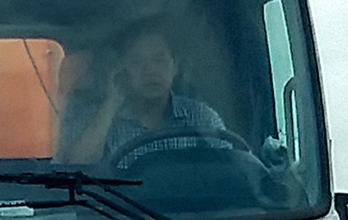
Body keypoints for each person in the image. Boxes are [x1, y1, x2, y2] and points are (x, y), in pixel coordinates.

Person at [55, 27, 228, 168]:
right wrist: (111, 104)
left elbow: (232, 171)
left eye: (159, 59)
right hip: (115, 210)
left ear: (175, 67)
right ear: (123, 71)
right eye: (136, 61)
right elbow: (72, 170)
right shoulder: (98, 120)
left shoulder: (201, 118)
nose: (149, 71)